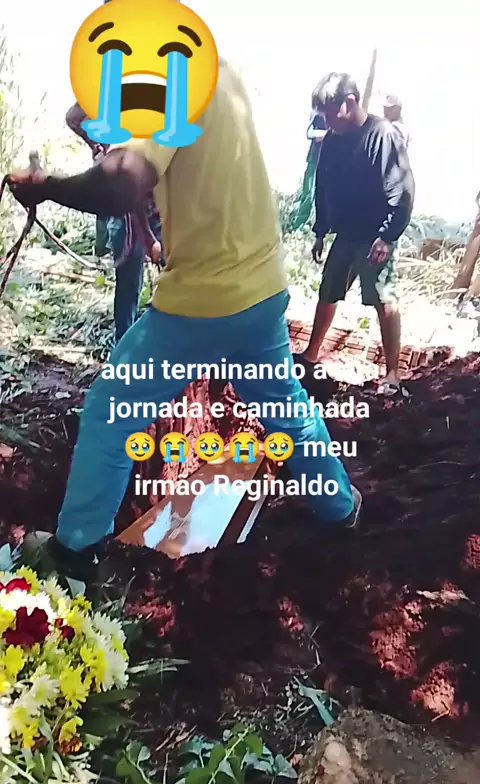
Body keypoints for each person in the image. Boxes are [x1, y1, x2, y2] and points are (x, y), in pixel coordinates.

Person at [9, 59, 362, 582]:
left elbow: (122, 183)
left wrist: (45, 186)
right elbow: (99, 126)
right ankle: (339, 506)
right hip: (261, 287)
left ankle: (74, 553)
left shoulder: (163, 87)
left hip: (202, 300)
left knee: (111, 407)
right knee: (284, 406)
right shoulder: (215, 71)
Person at [296, 72, 414, 396]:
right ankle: (311, 354)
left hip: (374, 237)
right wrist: (321, 230)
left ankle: (393, 375)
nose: (327, 120)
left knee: (383, 297)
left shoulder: (382, 135)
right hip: (344, 234)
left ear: (349, 103)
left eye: (330, 113)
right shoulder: (333, 140)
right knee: (328, 291)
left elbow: (402, 191)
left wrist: (387, 236)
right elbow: (323, 186)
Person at [66, 101, 165, 342]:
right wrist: (100, 147)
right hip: (127, 212)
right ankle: (124, 348)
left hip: (157, 206)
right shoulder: (110, 100)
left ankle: (164, 339)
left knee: (175, 270)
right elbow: (73, 116)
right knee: (129, 282)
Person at [291, 110, 328, 230]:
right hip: (315, 159)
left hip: (330, 161)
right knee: (309, 194)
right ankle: (297, 226)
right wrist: (327, 134)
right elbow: (310, 133)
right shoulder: (318, 113)